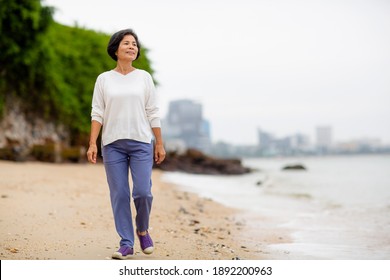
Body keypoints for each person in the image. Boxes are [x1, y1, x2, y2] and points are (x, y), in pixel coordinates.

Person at [86, 29, 166, 259]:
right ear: (115, 48)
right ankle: (126, 243)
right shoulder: (104, 79)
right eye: (126, 43)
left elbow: (153, 111)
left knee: (142, 193)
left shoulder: (144, 77)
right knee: (119, 194)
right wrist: (93, 143)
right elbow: (97, 112)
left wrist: (159, 143)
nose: (132, 47)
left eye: (134, 44)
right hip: (112, 144)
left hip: (141, 141)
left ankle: (142, 229)